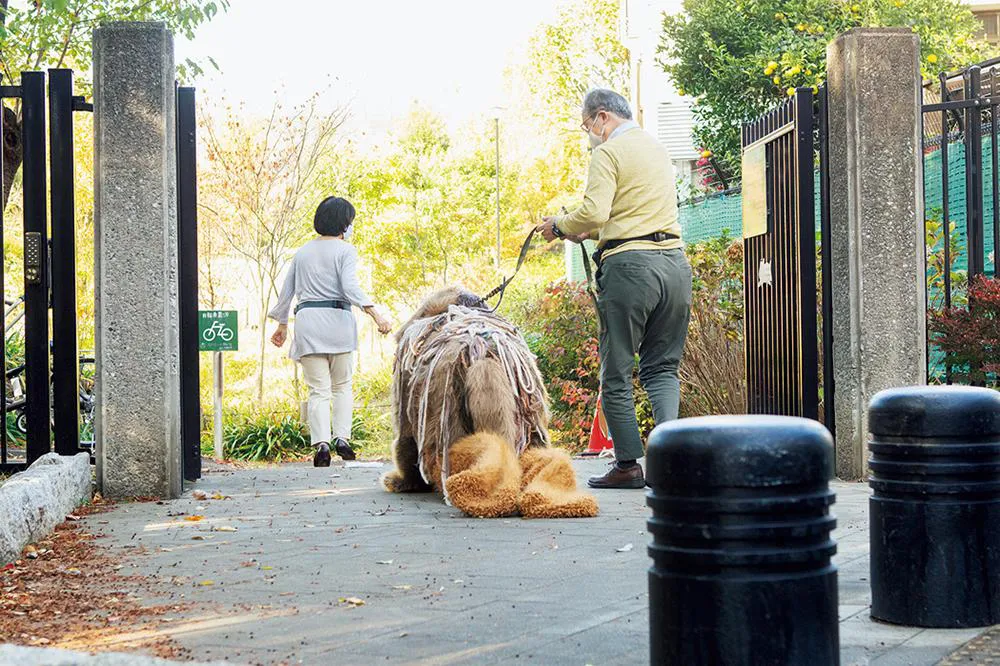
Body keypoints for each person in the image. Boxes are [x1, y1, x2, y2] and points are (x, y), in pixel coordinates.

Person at [536, 89, 692, 489]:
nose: (590, 134)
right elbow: (626, 212)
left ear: (602, 117)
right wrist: (588, 230)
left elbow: (593, 211)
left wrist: (560, 224)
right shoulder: (657, 150)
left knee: (617, 371)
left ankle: (627, 465)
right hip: (674, 264)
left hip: (630, 269)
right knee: (662, 368)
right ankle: (671, 461)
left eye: (588, 126)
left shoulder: (607, 153)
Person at [269, 196, 393, 467]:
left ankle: (322, 445)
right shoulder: (345, 251)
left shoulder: (302, 252)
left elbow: (286, 292)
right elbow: (349, 287)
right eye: (351, 222)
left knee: (318, 390)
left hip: (308, 322)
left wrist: (281, 325)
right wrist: (375, 313)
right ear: (344, 223)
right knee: (342, 387)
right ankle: (342, 440)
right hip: (338, 322)